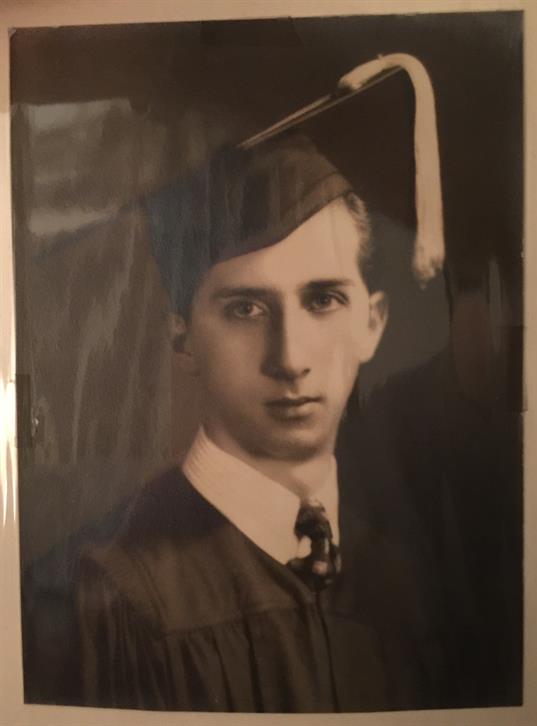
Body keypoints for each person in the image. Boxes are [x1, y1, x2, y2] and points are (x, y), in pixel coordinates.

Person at [75, 132, 451, 712]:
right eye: (245, 309)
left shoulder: (403, 580)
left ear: (372, 324)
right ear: (183, 338)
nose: (290, 358)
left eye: (323, 300)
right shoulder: (118, 593)